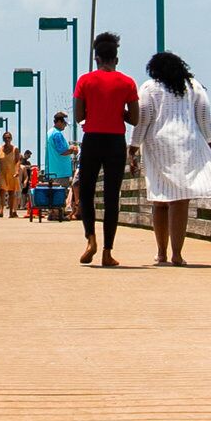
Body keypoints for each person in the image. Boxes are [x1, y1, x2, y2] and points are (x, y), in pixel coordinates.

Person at [132, 50, 211, 266]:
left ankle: (161, 253)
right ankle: (177, 254)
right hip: (188, 143)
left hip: (158, 145)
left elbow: (143, 119)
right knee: (180, 200)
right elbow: (204, 116)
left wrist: (132, 147)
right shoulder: (193, 86)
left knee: (159, 199)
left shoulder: (150, 87)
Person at [72, 31, 137, 266]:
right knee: (112, 197)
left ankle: (90, 239)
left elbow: (79, 115)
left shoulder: (85, 81)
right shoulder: (127, 82)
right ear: (116, 59)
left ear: (96, 58)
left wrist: (95, 111)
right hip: (115, 143)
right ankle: (108, 252)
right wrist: (118, 111)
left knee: (87, 193)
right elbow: (136, 118)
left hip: (92, 140)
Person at [37, 124, 73, 221]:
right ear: (59, 122)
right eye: (64, 123)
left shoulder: (50, 132)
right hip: (60, 169)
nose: (65, 126)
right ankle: (58, 215)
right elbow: (62, 151)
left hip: (52, 168)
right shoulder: (57, 134)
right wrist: (73, 149)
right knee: (60, 193)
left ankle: (52, 213)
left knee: (52, 192)